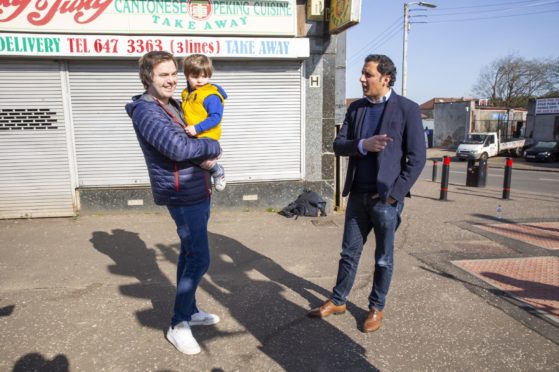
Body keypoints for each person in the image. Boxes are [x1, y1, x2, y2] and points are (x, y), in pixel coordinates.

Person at [308, 54, 426, 333]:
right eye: (362, 74)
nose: (361, 79)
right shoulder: (356, 108)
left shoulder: (407, 109)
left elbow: (417, 158)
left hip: (385, 200)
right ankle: (338, 300)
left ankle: (376, 307)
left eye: (367, 74)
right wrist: (363, 144)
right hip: (357, 196)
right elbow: (339, 144)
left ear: (385, 78)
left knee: (383, 258)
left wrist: (395, 195)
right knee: (348, 253)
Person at [125, 51, 222, 355]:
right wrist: (213, 145)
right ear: (148, 78)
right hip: (180, 193)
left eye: (172, 73)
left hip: (196, 188)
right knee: (200, 258)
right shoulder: (146, 111)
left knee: (189, 253)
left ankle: (190, 309)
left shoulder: (175, 104)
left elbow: (193, 135)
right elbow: (178, 148)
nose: (170, 79)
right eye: (162, 74)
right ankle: (178, 324)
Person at [181, 54, 227, 191]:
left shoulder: (210, 96)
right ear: (186, 76)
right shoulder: (187, 93)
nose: (200, 80)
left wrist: (197, 128)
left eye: (204, 76)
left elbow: (215, 118)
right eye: (195, 77)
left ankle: (218, 170)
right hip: (195, 136)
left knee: (188, 154)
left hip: (207, 136)